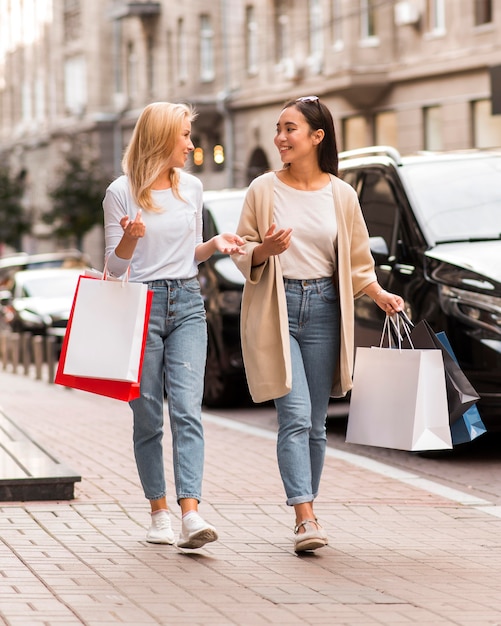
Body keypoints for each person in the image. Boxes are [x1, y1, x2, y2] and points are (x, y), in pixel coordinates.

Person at [232, 96, 404, 553]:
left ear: (316, 136)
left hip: (327, 306)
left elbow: (356, 262)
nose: (280, 138)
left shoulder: (341, 194)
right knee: (292, 416)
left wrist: (379, 293)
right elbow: (241, 250)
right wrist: (264, 250)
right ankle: (305, 517)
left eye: (290, 129)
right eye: (278, 128)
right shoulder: (263, 189)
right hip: (277, 306)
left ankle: (308, 507)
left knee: (315, 423)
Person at [103, 102, 245, 549]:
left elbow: (187, 255)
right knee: (147, 415)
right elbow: (112, 267)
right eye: (184, 135)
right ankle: (158, 511)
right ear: (162, 138)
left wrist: (214, 244)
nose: (190, 143)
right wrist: (129, 237)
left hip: (186, 301)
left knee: (187, 409)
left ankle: (190, 514)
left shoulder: (193, 187)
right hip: (140, 304)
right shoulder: (120, 192)